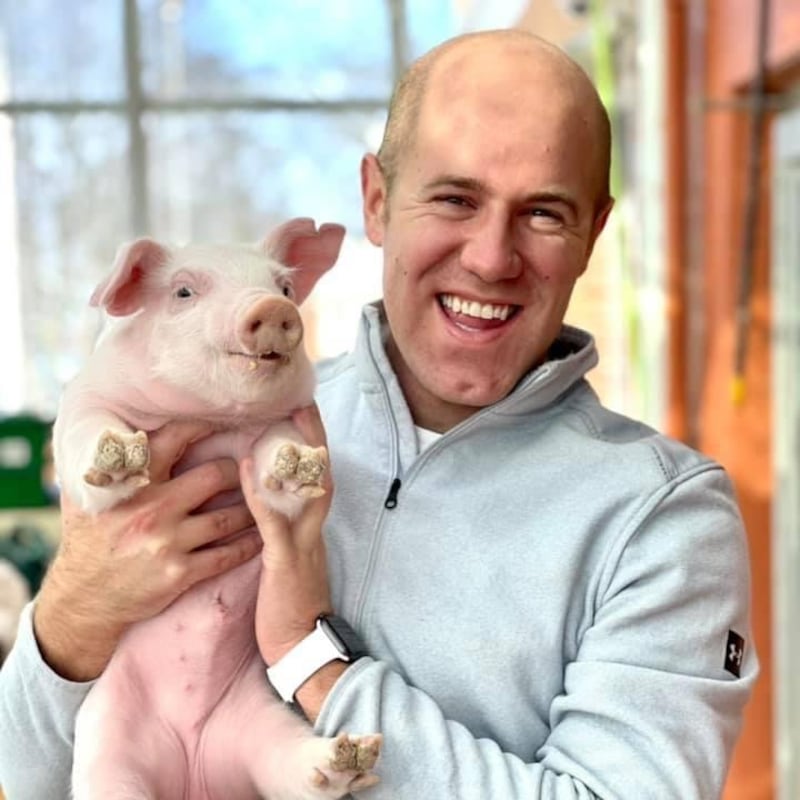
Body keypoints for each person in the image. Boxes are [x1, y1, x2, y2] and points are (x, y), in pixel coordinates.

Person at [0, 29, 756, 799]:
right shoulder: (227, 425)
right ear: (377, 200)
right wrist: (69, 621)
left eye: (543, 213)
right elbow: (23, 777)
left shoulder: (663, 519)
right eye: (456, 198)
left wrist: (310, 657)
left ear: (593, 234)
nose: (492, 258)